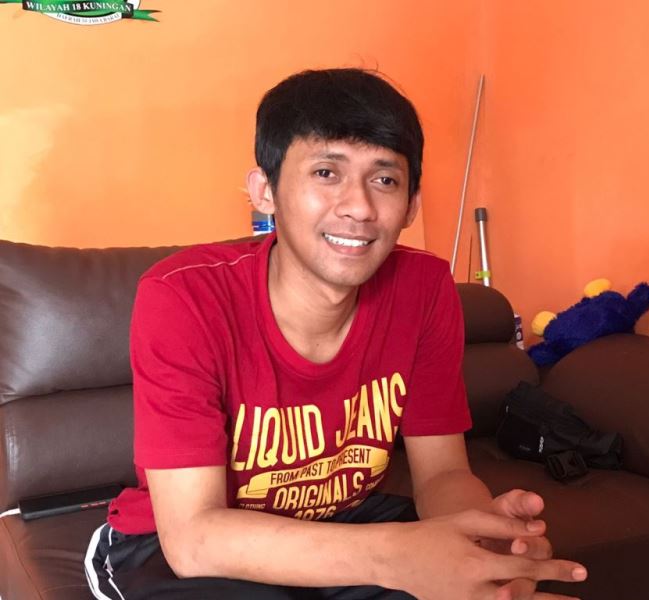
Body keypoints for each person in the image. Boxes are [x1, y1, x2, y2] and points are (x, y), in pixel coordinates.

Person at [84, 68, 588, 600]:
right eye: (326, 172)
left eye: (385, 180)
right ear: (265, 191)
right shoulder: (182, 298)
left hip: (346, 522)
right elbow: (194, 541)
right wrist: (397, 557)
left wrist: (483, 543)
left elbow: (442, 474)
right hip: (181, 547)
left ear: (411, 205)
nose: (359, 207)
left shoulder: (423, 288)